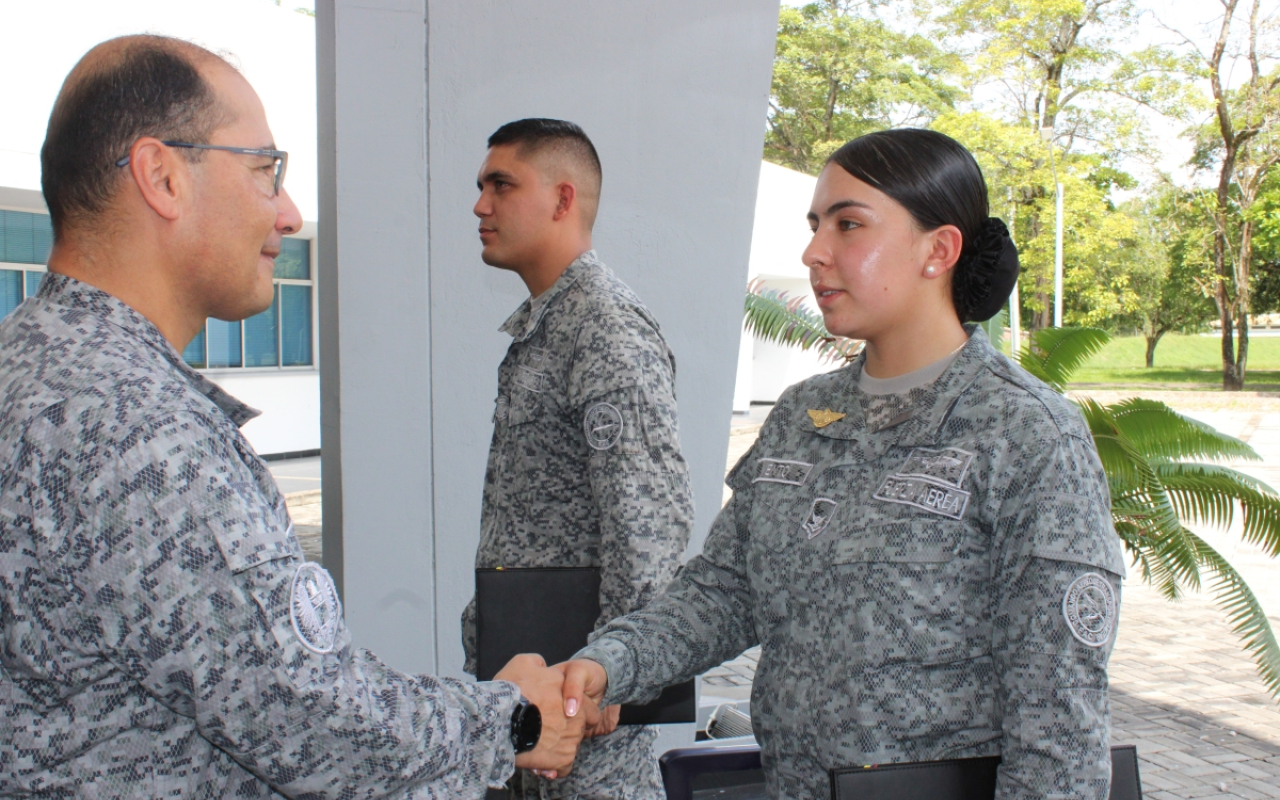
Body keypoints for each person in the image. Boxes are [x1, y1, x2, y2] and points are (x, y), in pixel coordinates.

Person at [0, 36, 594, 799]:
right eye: (263, 171)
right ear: (162, 176)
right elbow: (307, 721)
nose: (288, 212)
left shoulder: (30, 362)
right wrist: (512, 720)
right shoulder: (134, 427)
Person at [559, 128, 1126, 798]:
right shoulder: (805, 414)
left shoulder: (1027, 435)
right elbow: (723, 592)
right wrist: (605, 667)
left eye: (848, 225)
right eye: (814, 224)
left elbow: (1058, 731)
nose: (813, 252)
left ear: (938, 250)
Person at [461, 118, 694, 799]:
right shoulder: (553, 323)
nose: (480, 205)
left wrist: (619, 668)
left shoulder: (606, 328)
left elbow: (649, 526)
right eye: (480, 186)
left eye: (501, 185)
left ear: (564, 200)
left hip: (584, 701)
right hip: (535, 682)